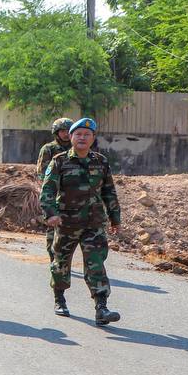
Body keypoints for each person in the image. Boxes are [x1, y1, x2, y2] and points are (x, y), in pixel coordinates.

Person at [40, 117, 121, 324]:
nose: (82, 137)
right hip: (66, 223)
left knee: (96, 263)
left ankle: (101, 307)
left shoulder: (101, 161)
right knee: (61, 262)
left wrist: (115, 218)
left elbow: (109, 191)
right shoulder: (59, 161)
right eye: (78, 134)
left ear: (93, 138)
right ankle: (59, 299)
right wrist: (51, 213)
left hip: (94, 223)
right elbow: (47, 190)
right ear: (71, 137)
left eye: (87, 134)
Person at [36, 118, 74, 261]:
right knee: (53, 228)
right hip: (54, 194)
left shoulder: (76, 149)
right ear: (56, 132)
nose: (66, 134)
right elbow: (42, 173)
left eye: (68, 131)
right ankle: (54, 259)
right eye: (62, 131)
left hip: (72, 195)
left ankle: (64, 260)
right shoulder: (49, 149)